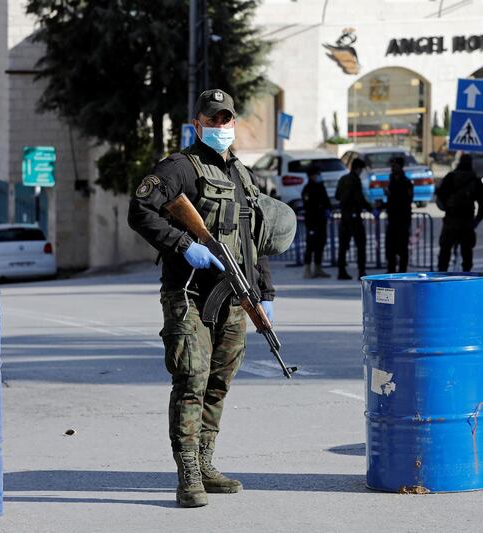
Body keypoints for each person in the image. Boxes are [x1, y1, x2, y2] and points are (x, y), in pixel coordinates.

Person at [128, 89, 276, 509]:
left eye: (226, 120)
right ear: (198, 124)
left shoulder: (243, 174)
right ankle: (187, 472)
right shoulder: (178, 168)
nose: (220, 127)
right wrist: (181, 243)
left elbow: (253, 241)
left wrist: (264, 294)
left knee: (218, 383)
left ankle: (207, 462)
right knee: (191, 379)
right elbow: (140, 211)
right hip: (189, 293)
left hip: (234, 297)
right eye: (213, 121)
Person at [436, 153, 483, 271]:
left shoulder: (450, 177)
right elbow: (482, 202)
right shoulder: (475, 180)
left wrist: (446, 207)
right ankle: (466, 275)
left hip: (451, 220)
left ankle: (441, 275)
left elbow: (440, 195)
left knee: (445, 250)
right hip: (467, 221)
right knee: (467, 252)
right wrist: (477, 219)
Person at [335, 158, 373, 280]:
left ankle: (341, 271)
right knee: (361, 244)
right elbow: (359, 198)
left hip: (344, 216)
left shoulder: (343, 179)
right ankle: (361, 271)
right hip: (354, 217)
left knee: (343, 245)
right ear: (358, 168)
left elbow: (337, 196)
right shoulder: (355, 180)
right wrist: (371, 208)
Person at [382, 156, 413, 273]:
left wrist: (392, 194)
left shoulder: (405, 183)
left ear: (400, 166)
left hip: (402, 220)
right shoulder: (392, 181)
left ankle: (402, 272)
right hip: (392, 220)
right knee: (391, 248)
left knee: (402, 249)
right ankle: (391, 271)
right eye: (392, 165)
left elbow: (405, 201)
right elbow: (391, 202)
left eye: (395, 165)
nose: (392, 168)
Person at [301, 165, 332, 279]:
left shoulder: (320, 187)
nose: (319, 176)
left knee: (320, 244)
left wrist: (328, 209)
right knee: (311, 245)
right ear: (312, 176)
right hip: (312, 222)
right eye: (317, 174)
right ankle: (307, 269)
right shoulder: (308, 189)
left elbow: (326, 201)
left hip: (321, 221)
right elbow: (309, 207)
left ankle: (318, 268)